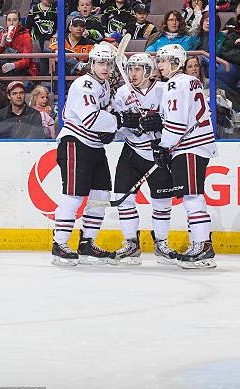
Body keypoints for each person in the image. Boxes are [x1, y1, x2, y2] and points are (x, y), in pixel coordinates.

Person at [51, 43, 142, 266]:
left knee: (100, 196)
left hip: (94, 147)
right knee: (73, 196)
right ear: (92, 63)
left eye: (109, 63)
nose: (106, 67)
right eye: (101, 62)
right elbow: (91, 119)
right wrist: (119, 122)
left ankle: (87, 243)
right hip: (76, 143)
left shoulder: (105, 86)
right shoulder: (84, 85)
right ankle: (59, 244)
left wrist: (112, 128)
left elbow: (105, 119)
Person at [152, 44, 218, 269]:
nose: (159, 65)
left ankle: (203, 246)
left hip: (189, 146)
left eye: (162, 60)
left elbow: (177, 122)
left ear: (175, 62)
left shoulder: (175, 83)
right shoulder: (189, 81)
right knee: (192, 195)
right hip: (196, 144)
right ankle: (199, 244)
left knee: (192, 196)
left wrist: (163, 146)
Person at [110, 53, 180, 265]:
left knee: (162, 202)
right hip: (131, 151)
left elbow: (175, 118)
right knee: (124, 199)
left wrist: (160, 122)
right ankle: (131, 244)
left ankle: (161, 243)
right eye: (130, 69)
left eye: (138, 69)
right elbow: (113, 127)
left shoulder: (163, 90)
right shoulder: (122, 93)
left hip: (157, 152)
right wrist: (123, 121)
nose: (133, 73)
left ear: (149, 71)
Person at [0, 10, 39, 76]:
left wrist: (13, 65)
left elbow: (26, 61)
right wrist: (2, 42)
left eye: (14, 20)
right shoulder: (3, 35)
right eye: (9, 20)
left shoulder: (26, 36)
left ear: (19, 22)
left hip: (23, 70)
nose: (11, 23)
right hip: (6, 68)